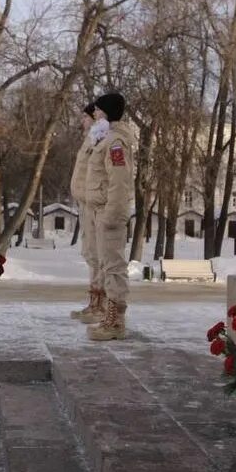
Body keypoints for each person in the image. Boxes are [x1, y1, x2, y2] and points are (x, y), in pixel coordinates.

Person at [84, 92, 136, 341]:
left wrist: (113, 215)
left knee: (114, 266)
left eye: (97, 110)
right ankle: (109, 316)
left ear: (106, 112)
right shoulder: (105, 139)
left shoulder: (116, 142)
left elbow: (119, 180)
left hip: (109, 212)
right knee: (106, 264)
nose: (94, 114)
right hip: (100, 210)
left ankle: (116, 322)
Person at [69, 108, 107, 323]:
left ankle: (100, 305)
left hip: (95, 204)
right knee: (90, 253)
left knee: (97, 255)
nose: (82, 120)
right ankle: (93, 302)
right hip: (85, 203)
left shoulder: (100, 138)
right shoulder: (90, 139)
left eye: (85, 116)